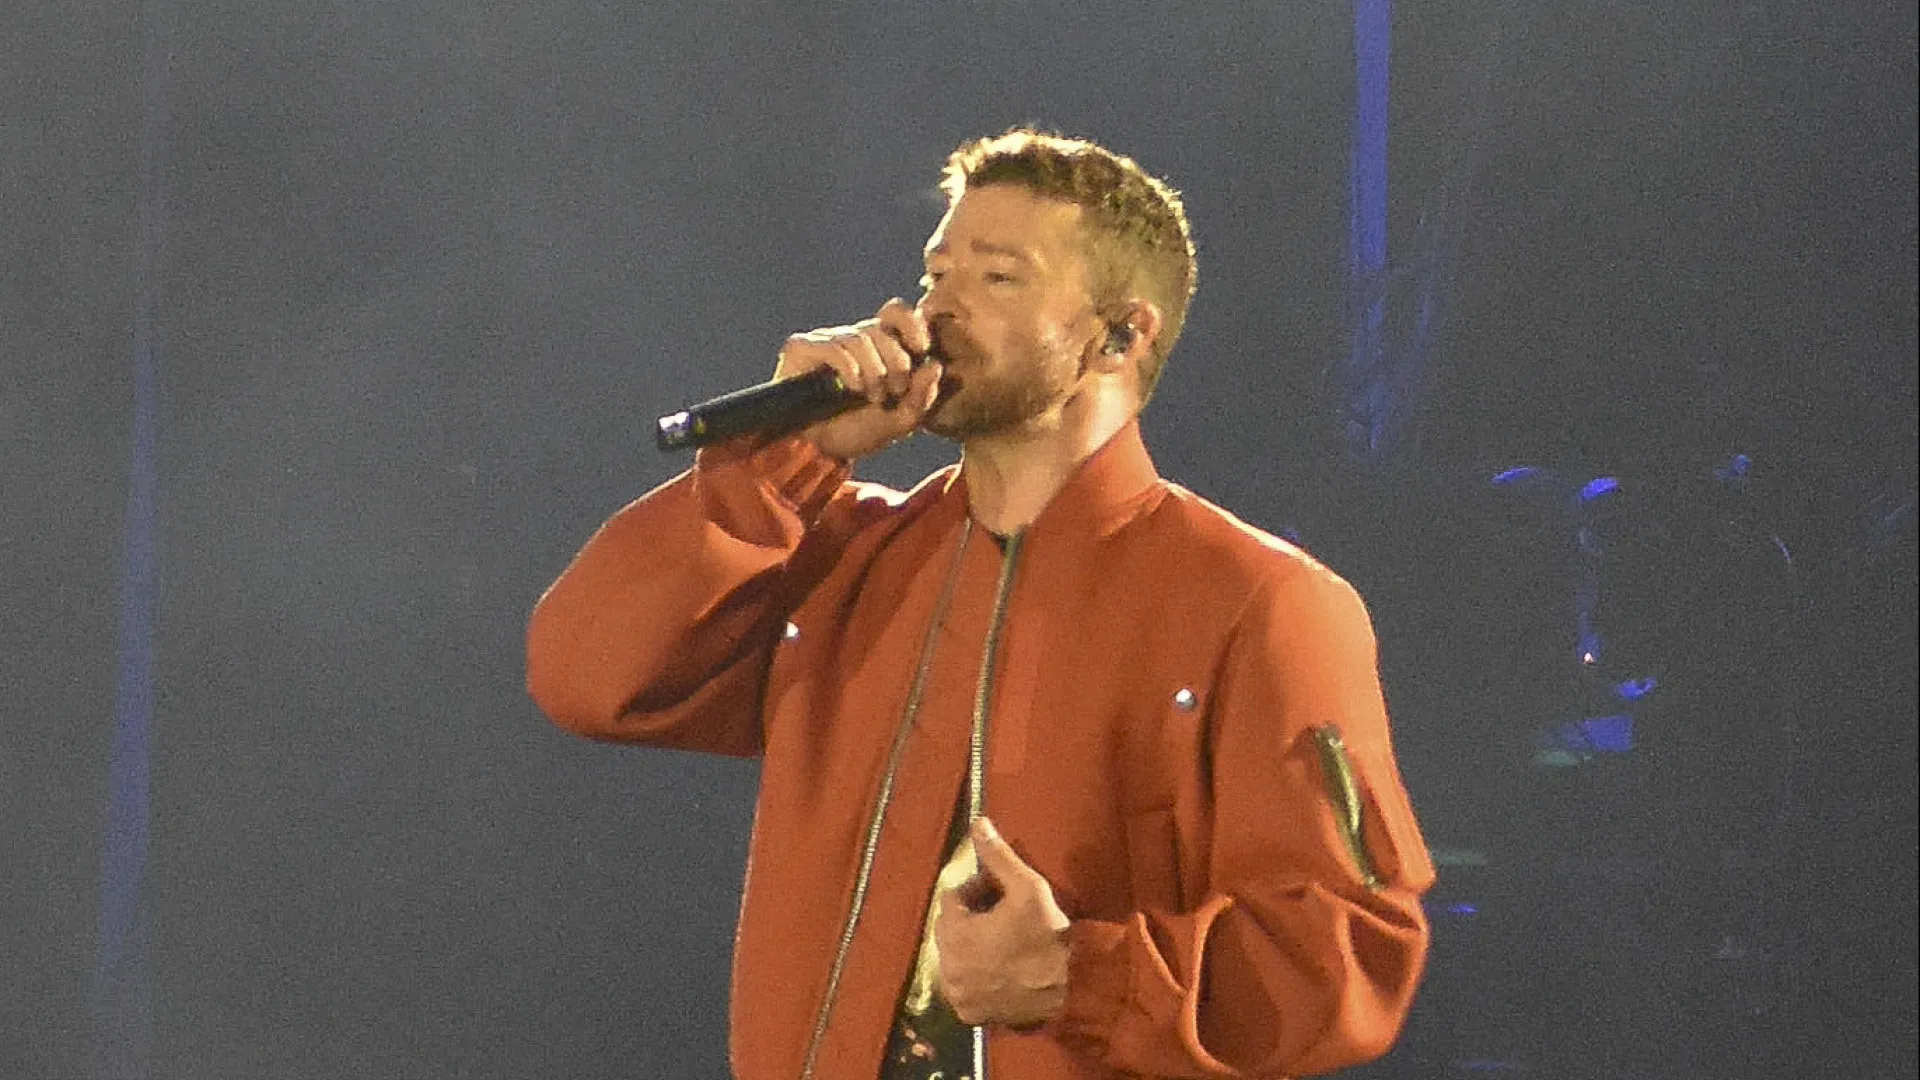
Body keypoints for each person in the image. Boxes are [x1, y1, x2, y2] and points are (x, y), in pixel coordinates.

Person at [526, 129, 1435, 1080]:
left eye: (998, 278)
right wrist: (789, 459)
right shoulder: (845, 558)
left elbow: (1348, 954)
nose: (935, 309)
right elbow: (586, 677)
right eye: (935, 274)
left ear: (1121, 335)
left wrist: (1083, 977)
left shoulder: (1260, 603)